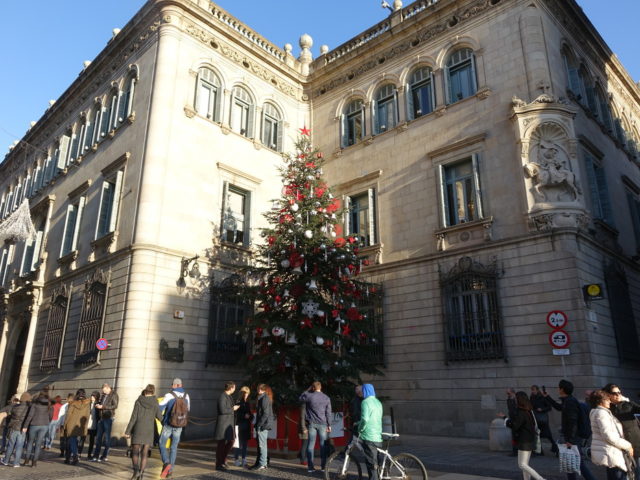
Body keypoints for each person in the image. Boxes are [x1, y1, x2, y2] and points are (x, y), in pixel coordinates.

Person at [544, 380, 597, 480]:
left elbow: (573, 422)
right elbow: (559, 407)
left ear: (562, 389)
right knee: (570, 463)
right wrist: (547, 397)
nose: (558, 389)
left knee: (577, 462)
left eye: (559, 387)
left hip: (573, 438)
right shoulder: (568, 401)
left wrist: (570, 440)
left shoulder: (570, 402)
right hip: (571, 437)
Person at [588, 389, 634, 480]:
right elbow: (608, 435)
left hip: (610, 451)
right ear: (600, 401)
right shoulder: (602, 413)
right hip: (611, 452)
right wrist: (628, 445)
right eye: (607, 399)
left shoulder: (599, 412)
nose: (609, 401)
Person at [506, 391, 546, 480]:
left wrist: (506, 420)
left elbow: (515, 426)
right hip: (529, 439)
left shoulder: (521, 412)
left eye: (516, 398)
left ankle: (541, 479)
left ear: (519, 400)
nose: (515, 400)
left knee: (522, 465)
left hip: (524, 441)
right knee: (525, 464)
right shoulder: (529, 410)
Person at [125, 384, 163, 480]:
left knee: (135, 452)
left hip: (138, 428)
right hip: (149, 430)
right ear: (153, 392)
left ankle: (136, 472)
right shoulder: (155, 402)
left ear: (145, 391)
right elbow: (159, 416)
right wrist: (167, 422)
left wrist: (128, 431)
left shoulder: (139, 401)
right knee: (145, 453)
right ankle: (141, 474)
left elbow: (133, 417)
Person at [603, 384, 640, 480]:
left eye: (619, 392)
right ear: (608, 395)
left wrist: (628, 400)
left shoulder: (627, 404)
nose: (618, 395)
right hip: (619, 445)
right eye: (614, 393)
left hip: (634, 442)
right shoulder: (607, 408)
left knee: (637, 471)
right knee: (623, 473)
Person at [158, 378, 191, 479]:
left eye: (172, 384)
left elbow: (159, 408)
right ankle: (170, 471)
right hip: (180, 425)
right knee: (174, 447)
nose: (171, 385)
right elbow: (188, 409)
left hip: (168, 424)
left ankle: (166, 462)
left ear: (176, 385)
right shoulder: (186, 396)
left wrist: (162, 419)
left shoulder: (169, 395)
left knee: (161, 444)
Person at [300, 381, 332, 473]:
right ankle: (323, 467)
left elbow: (300, 397)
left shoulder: (309, 396)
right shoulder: (326, 398)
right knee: (323, 446)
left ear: (313, 388)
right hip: (323, 423)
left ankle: (310, 467)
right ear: (320, 387)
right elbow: (328, 413)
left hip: (312, 423)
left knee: (311, 445)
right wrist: (329, 425)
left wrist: (308, 390)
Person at [359, 384, 383, 480]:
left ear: (365, 391)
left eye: (362, 390)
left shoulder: (365, 402)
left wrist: (360, 428)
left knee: (371, 465)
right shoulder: (378, 402)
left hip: (369, 436)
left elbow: (365, 419)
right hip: (378, 435)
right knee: (377, 463)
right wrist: (358, 422)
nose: (362, 392)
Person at [22, 389, 51, 467]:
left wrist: (25, 426)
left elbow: (30, 416)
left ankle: (27, 460)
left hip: (34, 424)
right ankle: (34, 462)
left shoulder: (35, 404)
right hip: (44, 425)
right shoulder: (49, 404)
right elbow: (50, 416)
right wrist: (47, 421)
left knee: (30, 442)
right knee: (38, 444)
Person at [214, 381, 239, 471]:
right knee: (221, 444)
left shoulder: (229, 396)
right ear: (231, 388)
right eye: (234, 387)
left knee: (231, 441)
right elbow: (222, 410)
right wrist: (233, 409)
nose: (235, 389)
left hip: (229, 424)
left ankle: (223, 460)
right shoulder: (222, 396)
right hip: (223, 424)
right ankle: (219, 463)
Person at [1, 392, 31, 467]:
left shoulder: (15, 407)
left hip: (14, 427)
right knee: (19, 446)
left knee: (10, 445)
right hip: (23, 429)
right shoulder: (29, 409)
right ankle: (16, 463)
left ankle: (6, 461)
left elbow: (9, 413)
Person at [91, 383, 119, 462]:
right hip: (101, 417)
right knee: (98, 438)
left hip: (108, 417)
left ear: (108, 388)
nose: (103, 392)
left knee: (106, 438)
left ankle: (104, 455)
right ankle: (96, 456)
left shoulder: (114, 394)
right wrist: (98, 405)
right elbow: (101, 403)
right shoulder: (103, 395)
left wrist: (103, 407)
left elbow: (115, 406)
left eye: (104, 390)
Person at [63, 389, 91, 465]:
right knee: (73, 441)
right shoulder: (87, 404)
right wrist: (85, 426)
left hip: (71, 425)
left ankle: (74, 456)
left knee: (71, 440)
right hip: (80, 426)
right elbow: (87, 416)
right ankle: (68, 458)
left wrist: (65, 424)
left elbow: (68, 415)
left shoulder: (73, 403)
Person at [251, 384, 274, 471]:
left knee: (262, 445)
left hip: (263, 425)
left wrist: (259, 424)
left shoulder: (264, 398)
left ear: (262, 389)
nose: (258, 390)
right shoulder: (263, 397)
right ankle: (262, 463)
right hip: (264, 424)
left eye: (260, 389)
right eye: (258, 388)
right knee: (262, 445)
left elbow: (265, 413)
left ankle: (262, 464)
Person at [530, 386, 558, 456]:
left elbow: (549, 407)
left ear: (537, 390)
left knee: (548, 436)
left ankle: (556, 448)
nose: (532, 391)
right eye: (532, 390)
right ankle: (539, 451)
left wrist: (542, 409)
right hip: (536, 418)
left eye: (533, 390)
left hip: (543, 419)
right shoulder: (532, 397)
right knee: (537, 435)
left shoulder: (542, 397)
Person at [233, 386, 252, 467]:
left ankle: (244, 459)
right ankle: (236, 459)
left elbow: (249, 413)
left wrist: (250, 416)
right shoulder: (238, 402)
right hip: (239, 425)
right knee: (238, 443)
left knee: (245, 444)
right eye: (245, 393)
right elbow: (235, 414)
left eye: (247, 393)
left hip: (246, 425)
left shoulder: (247, 402)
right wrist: (244, 416)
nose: (246, 395)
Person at [79, 390, 100, 459]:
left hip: (94, 425)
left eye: (94, 396)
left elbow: (99, 416)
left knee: (91, 441)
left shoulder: (98, 404)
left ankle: (89, 454)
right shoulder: (87, 403)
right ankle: (79, 453)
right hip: (86, 424)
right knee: (82, 439)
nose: (92, 397)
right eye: (92, 396)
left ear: (97, 397)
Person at [298, 401, 309, 465]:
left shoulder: (305, 406)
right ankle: (302, 460)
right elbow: (302, 418)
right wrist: (304, 428)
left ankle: (303, 459)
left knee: (305, 444)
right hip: (304, 428)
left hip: (305, 427)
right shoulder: (304, 407)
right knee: (304, 444)